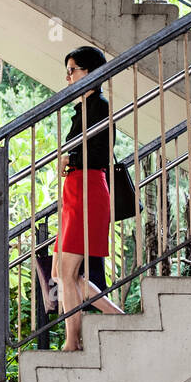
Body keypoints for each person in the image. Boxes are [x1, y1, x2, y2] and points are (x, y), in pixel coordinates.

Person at [51, 46, 124, 351]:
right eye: (67, 70)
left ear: (92, 73)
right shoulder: (83, 108)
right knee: (59, 272)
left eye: (74, 70)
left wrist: (71, 158)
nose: (68, 77)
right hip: (76, 189)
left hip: (87, 187)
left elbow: (99, 152)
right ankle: (116, 315)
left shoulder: (99, 106)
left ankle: (72, 341)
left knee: (67, 273)